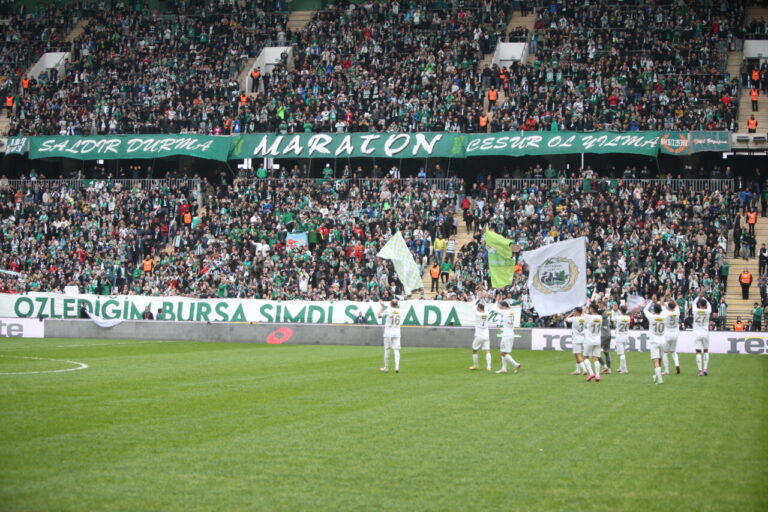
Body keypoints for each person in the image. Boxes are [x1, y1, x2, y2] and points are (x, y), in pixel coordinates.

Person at [494, 298, 521, 374]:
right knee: (504, 351)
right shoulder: (511, 312)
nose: (500, 308)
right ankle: (504, 368)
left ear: (504, 307)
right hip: (511, 334)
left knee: (503, 353)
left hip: (506, 335)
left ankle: (515, 364)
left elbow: (494, 309)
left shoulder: (505, 312)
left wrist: (496, 301)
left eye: (501, 307)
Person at [644, 299, 667, 385]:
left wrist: (650, 302)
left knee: (655, 360)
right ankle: (657, 376)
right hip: (663, 340)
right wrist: (661, 304)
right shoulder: (664, 316)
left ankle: (660, 379)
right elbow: (665, 310)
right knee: (660, 359)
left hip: (654, 341)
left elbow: (645, 310)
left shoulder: (651, 317)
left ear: (654, 310)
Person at [377, 299, 402, 373]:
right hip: (397, 332)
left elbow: (379, 316)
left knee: (387, 349)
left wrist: (382, 307)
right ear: (397, 304)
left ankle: (386, 368)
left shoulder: (387, 310)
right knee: (396, 350)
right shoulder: (400, 311)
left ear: (390, 303)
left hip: (388, 332)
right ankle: (397, 367)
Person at [582, 304, 604, 382]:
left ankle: (591, 373)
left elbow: (582, 314)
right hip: (597, 339)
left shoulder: (589, 317)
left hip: (589, 340)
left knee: (585, 357)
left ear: (592, 309)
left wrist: (586, 307)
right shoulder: (600, 317)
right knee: (596, 357)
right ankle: (597, 376)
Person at [469, 297, 492, 371]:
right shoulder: (487, 313)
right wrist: (483, 298)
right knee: (487, 350)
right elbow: (486, 306)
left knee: (474, 350)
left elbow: (472, 305)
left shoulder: (477, 314)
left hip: (479, 335)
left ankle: (476, 365)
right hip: (486, 335)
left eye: (477, 307)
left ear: (479, 308)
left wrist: (478, 298)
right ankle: (488, 366)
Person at [565, 307, 588, 375]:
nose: (573, 313)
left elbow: (566, 319)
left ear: (577, 312)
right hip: (583, 338)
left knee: (577, 354)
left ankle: (584, 370)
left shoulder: (574, 318)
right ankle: (577, 370)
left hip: (576, 339)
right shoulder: (585, 319)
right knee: (577, 354)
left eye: (574, 311)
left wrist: (571, 314)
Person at [692, 298, 712, 376]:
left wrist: (699, 296)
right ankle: (705, 369)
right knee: (706, 350)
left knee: (698, 352)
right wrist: (704, 298)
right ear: (705, 305)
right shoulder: (708, 311)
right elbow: (709, 305)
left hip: (697, 333)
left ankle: (700, 370)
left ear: (699, 305)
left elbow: (694, 302)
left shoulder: (695, 310)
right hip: (705, 333)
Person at [662, 299, 682, 375]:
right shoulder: (677, 312)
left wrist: (664, 296)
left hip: (667, 333)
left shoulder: (666, 312)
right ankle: (677, 364)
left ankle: (666, 370)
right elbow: (677, 305)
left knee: (665, 352)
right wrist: (672, 299)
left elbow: (661, 303)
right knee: (673, 351)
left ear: (668, 307)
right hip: (675, 333)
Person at [612, 305, 631, 374]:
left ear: (620, 310)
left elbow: (612, 319)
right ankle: (621, 367)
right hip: (626, 336)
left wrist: (613, 310)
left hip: (619, 336)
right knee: (623, 352)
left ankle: (625, 369)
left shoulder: (618, 317)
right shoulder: (628, 318)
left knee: (621, 354)